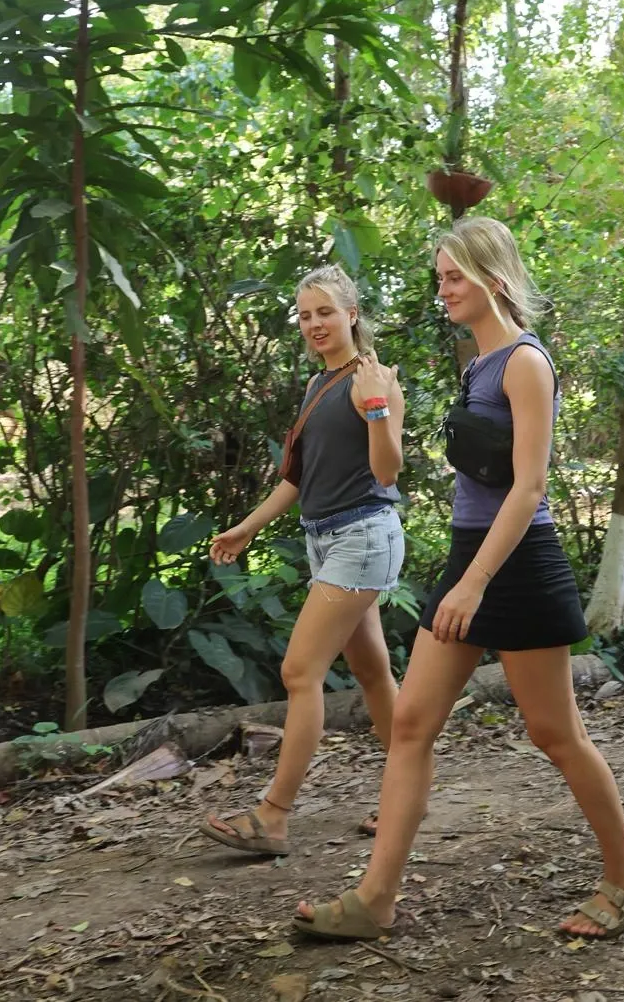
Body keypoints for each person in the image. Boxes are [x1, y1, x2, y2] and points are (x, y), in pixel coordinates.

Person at [292, 217, 624, 941]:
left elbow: (528, 488)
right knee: (411, 725)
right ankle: (376, 899)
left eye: (454, 276)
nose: (444, 288)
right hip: (471, 556)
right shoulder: (478, 364)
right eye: (439, 277)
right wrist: (463, 574)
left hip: (515, 565)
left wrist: (475, 583)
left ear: (494, 277)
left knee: (555, 734)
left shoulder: (526, 362)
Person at [199, 264, 406, 856]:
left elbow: (388, 471)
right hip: (327, 538)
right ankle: (407, 794)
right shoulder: (320, 385)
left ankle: (273, 816)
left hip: (362, 536)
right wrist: (246, 527)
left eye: (325, 312)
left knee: (299, 672)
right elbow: (298, 479)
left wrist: (375, 410)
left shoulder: (374, 378)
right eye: (305, 314)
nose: (313, 323)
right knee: (371, 674)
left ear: (352, 315)